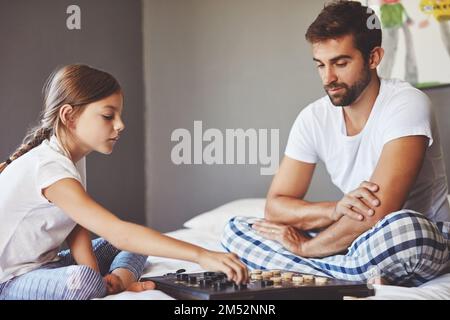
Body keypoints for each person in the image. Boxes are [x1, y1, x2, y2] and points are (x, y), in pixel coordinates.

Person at [222, 0, 450, 286]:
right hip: (352, 241)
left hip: (406, 235)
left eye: (341, 63)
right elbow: (276, 206)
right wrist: (334, 209)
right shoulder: (313, 118)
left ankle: (318, 269)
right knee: (237, 229)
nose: (328, 78)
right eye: (320, 64)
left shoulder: (407, 104)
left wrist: (305, 248)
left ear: (374, 57)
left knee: (406, 230)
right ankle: (354, 273)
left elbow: (377, 213)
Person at [0, 64, 247, 300]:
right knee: (86, 278)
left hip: (46, 264)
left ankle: (119, 280)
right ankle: (112, 282)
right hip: (10, 280)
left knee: (140, 243)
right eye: (108, 116)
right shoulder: (49, 166)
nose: (120, 125)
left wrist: (99, 275)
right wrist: (201, 255)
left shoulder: (73, 159)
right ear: (69, 116)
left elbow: (76, 227)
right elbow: (117, 232)